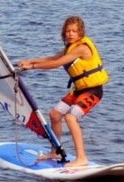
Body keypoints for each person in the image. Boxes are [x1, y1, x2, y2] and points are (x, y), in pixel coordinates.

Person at [18, 16, 108, 168]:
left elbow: (56, 64)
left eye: (74, 31)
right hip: (79, 90)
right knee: (55, 115)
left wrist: (32, 67)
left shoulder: (82, 48)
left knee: (71, 117)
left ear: (81, 32)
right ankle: (56, 151)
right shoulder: (69, 47)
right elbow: (52, 57)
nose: (70, 34)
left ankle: (82, 158)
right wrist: (30, 61)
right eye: (67, 31)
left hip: (93, 91)